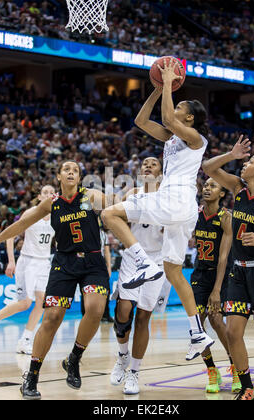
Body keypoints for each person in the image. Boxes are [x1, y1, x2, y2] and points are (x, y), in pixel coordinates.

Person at [102, 58, 214, 360]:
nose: (174, 108)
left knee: (109, 213)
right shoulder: (173, 136)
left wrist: (167, 85)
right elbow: (141, 121)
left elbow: (167, 118)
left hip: (174, 199)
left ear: (189, 119)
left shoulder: (196, 139)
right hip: (183, 207)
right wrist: (155, 90)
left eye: (180, 108)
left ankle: (143, 264)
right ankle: (196, 333)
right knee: (175, 272)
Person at [0, 160, 110, 400]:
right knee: (52, 316)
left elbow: (119, 203)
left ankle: (73, 358)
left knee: (95, 309)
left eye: (75, 169)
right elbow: (19, 225)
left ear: (80, 176)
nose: (71, 172)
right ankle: (31, 377)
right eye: (66, 169)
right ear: (59, 177)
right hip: (64, 262)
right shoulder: (50, 204)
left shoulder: (92, 195)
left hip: (93, 261)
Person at [202, 136, 254, 400]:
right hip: (238, 272)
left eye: (249, 161)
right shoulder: (238, 189)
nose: (244, 164)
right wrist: (231, 154)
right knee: (232, 331)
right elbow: (208, 168)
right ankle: (249, 387)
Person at [110, 156, 171, 395]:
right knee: (124, 308)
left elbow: (175, 232)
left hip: (157, 261)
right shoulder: (132, 194)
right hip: (133, 258)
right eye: (144, 163)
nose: (147, 165)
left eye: (153, 163)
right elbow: (116, 222)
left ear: (161, 173)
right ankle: (122, 357)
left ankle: (134, 373)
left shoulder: (168, 200)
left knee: (144, 317)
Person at [0, 185, 55, 356]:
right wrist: (11, 261)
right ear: (39, 197)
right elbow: (10, 235)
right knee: (25, 303)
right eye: (45, 192)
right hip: (28, 262)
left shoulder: (57, 216)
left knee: (42, 303)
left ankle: (24, 341)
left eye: (51, 192)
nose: (48, 195)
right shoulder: (31, 213)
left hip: (44, 262)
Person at [191, 178, 241, 393]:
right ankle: (212, 370)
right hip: (199, 274)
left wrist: (217, 290)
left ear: (222, 194)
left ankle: (236, 365)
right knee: (197, 327)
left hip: (222, 275)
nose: (207, 188)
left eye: (213, 186)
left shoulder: (225, 218)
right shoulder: (195, 214)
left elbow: (223, 258)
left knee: (217, 319)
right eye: (206, 185)